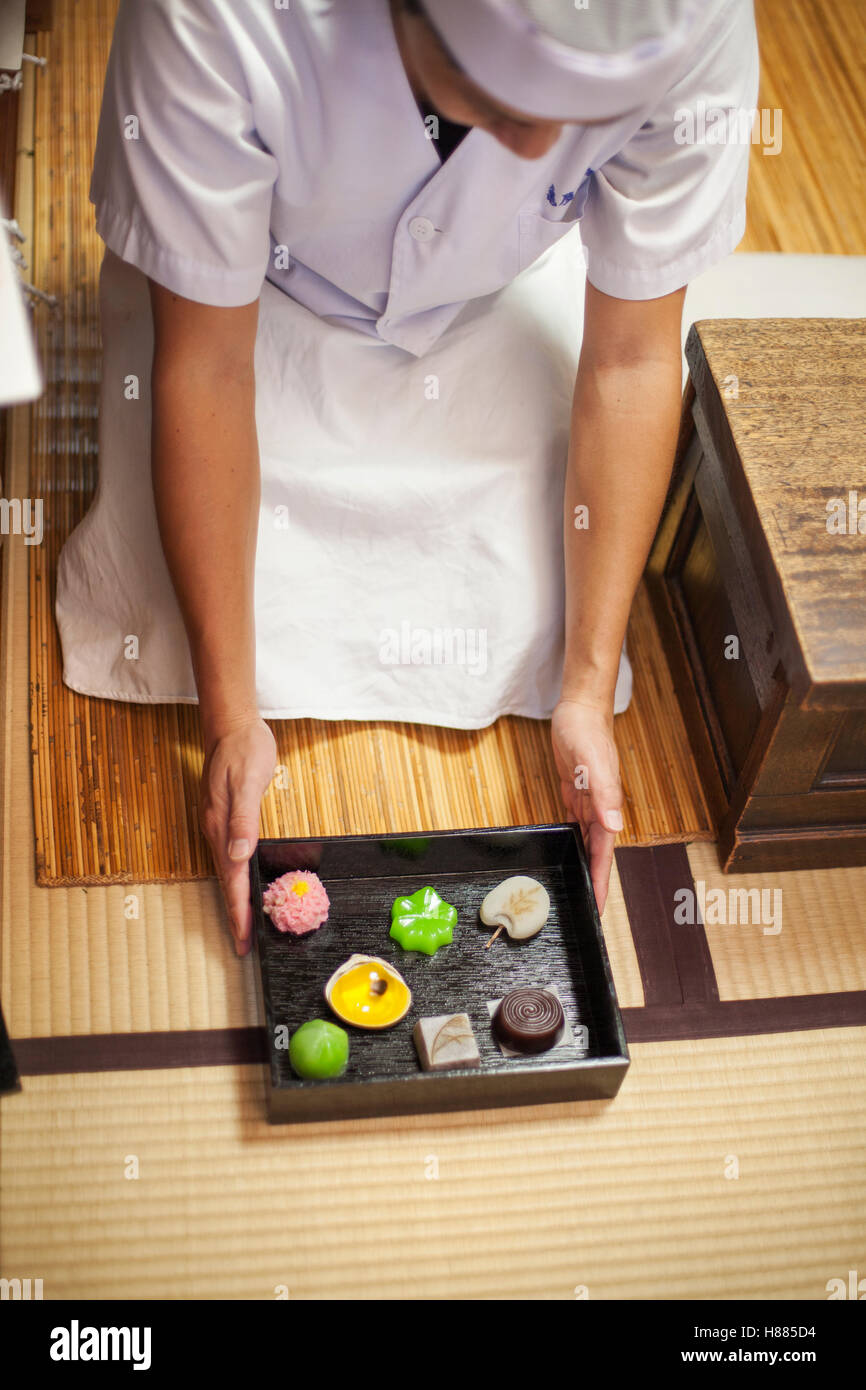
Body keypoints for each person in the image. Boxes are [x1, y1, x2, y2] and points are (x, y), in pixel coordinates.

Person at [56, 0, 759, 953]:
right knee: (155, 609)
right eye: (499, 100)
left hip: (485, 308)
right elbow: (207, 371)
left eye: (579, 117)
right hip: (246, 310)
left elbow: (633, 357)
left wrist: (586, 688)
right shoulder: (213, 17)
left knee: (536, 613)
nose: (542, 144)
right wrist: (230, 717)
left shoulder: (698, 17)